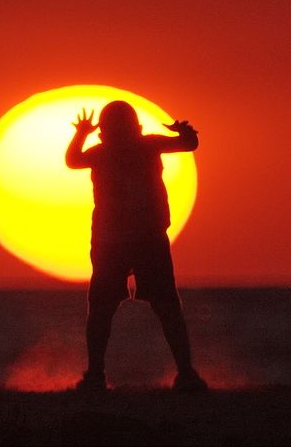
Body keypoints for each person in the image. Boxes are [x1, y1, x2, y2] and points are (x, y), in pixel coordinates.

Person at [65, 100, 207, 392]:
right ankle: (184, 373)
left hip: (130, 239)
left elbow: (73, 159)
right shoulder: (144, 146)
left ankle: (96, 375)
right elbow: (189, 144)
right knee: (158, 306)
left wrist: (81, 133)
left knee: (110, 308)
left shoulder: (109, 151)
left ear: (103, 131)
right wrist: (184, 132)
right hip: (129, 240)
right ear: (137, 127)